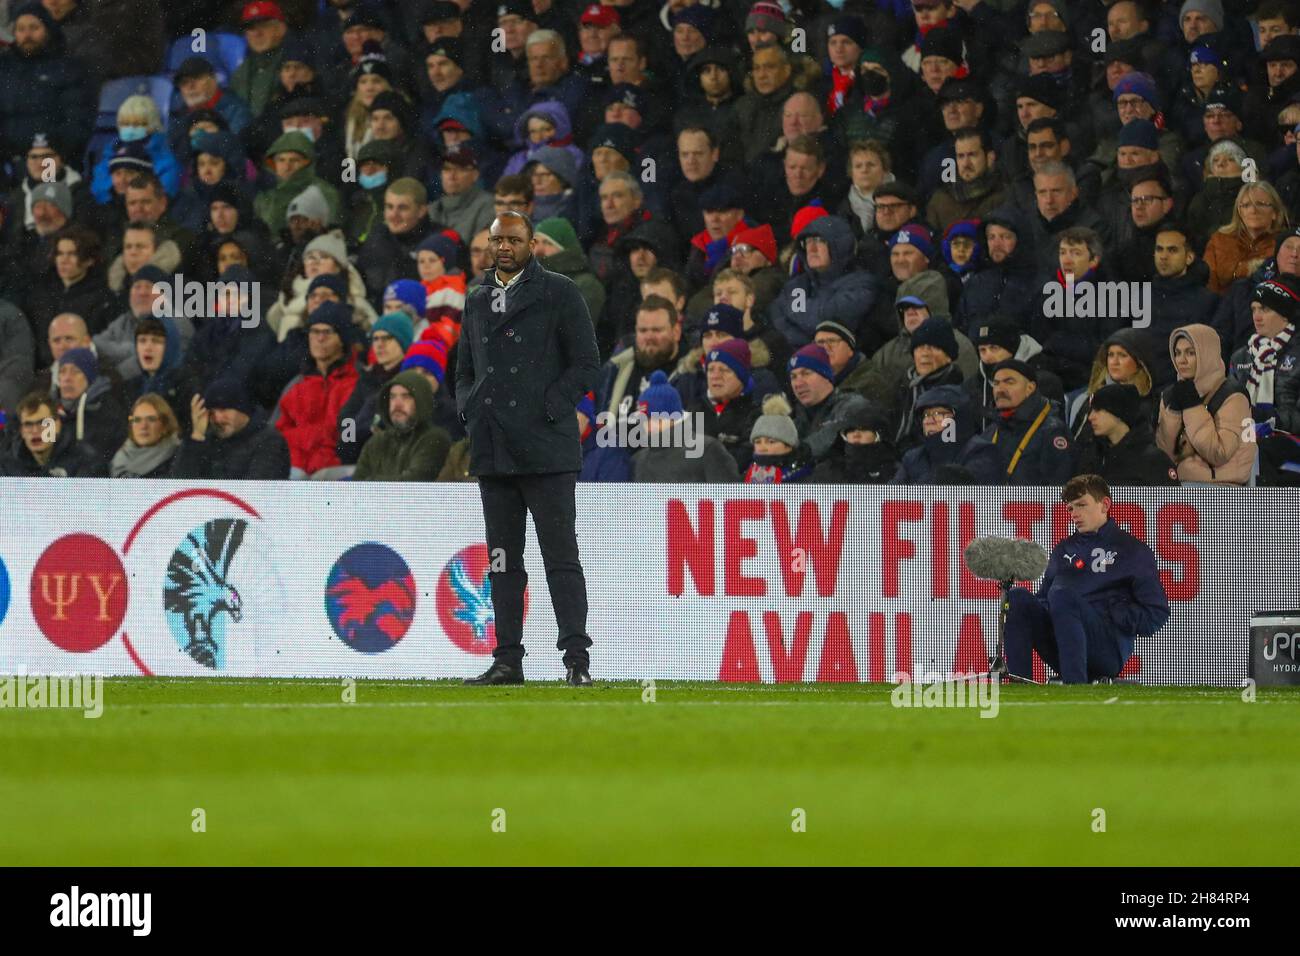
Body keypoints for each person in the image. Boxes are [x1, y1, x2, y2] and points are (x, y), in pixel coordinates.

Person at [456, 211, 600, 687]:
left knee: (560, 556)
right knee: (502, 561)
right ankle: (507, 659)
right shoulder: (476, 300)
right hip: (495, 449)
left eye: (513, 240)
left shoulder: (559, 291)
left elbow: (585, 365)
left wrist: (551, 407)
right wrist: (470, 408)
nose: (504, 248)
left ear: (531, 243)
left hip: (546, 449)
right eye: (497, 240)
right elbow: (463, 370)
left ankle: (575, 659)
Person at [1004, 473, 1171, 684]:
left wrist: (1115, 611)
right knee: (1017, 597)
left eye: (1082, 505)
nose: (1074, 513)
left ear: (1105, 504)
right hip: (1064, 646)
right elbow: (1045, 600)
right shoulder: (1063, 550)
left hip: (1106, 649)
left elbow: (1156, 614)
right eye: (1071, 508)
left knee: (1063, 595)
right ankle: (1020, 688)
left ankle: (1075, 690)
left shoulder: (1132, 550)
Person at [1156, 323, 1256, 484]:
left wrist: (1191, 406)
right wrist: (1173, 412)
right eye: (1177, 353)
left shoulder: (1233, 395)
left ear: (1207, 354)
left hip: (1223, 488)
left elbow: (1218, 453)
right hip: (1177, 484)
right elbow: (1164, 456)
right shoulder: (1172, 394)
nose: (1181, 360)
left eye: (1190, 353)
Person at [171, 379, 290, 481]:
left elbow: (257, 493)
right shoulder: (206, 440)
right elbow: (179, 485)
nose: (218, 418)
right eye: (211, 412)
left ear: (243, 409)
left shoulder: (270, 441)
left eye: (224, 409)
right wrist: (196, 436)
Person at [352, 369, 451, 481]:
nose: (397, 404)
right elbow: (357, 486)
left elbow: (412, 484)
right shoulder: (376, 441)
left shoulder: (435, 439)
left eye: (406, 396)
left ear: (421, 401)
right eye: (392, 397)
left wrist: (371, 482)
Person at [1075, 384, 1180, 486]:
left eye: (1098, 410)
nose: (1090, 417)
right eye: (1091, 410)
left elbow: (1173, 502)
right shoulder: (1091, 454)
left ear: (1118, 412)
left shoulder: (1154, 461)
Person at [0, 390, 105, 478]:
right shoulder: (8, 465)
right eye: (28, 424)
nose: (35, 430)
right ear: (22, 431)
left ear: (57, 425)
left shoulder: (86, 461)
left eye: (43, 423)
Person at [111, 393, 181, 478]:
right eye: (137, 419)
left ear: (165, 425)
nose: (143, 426)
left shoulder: (178, 458)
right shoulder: (118, 458)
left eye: (151, 419)